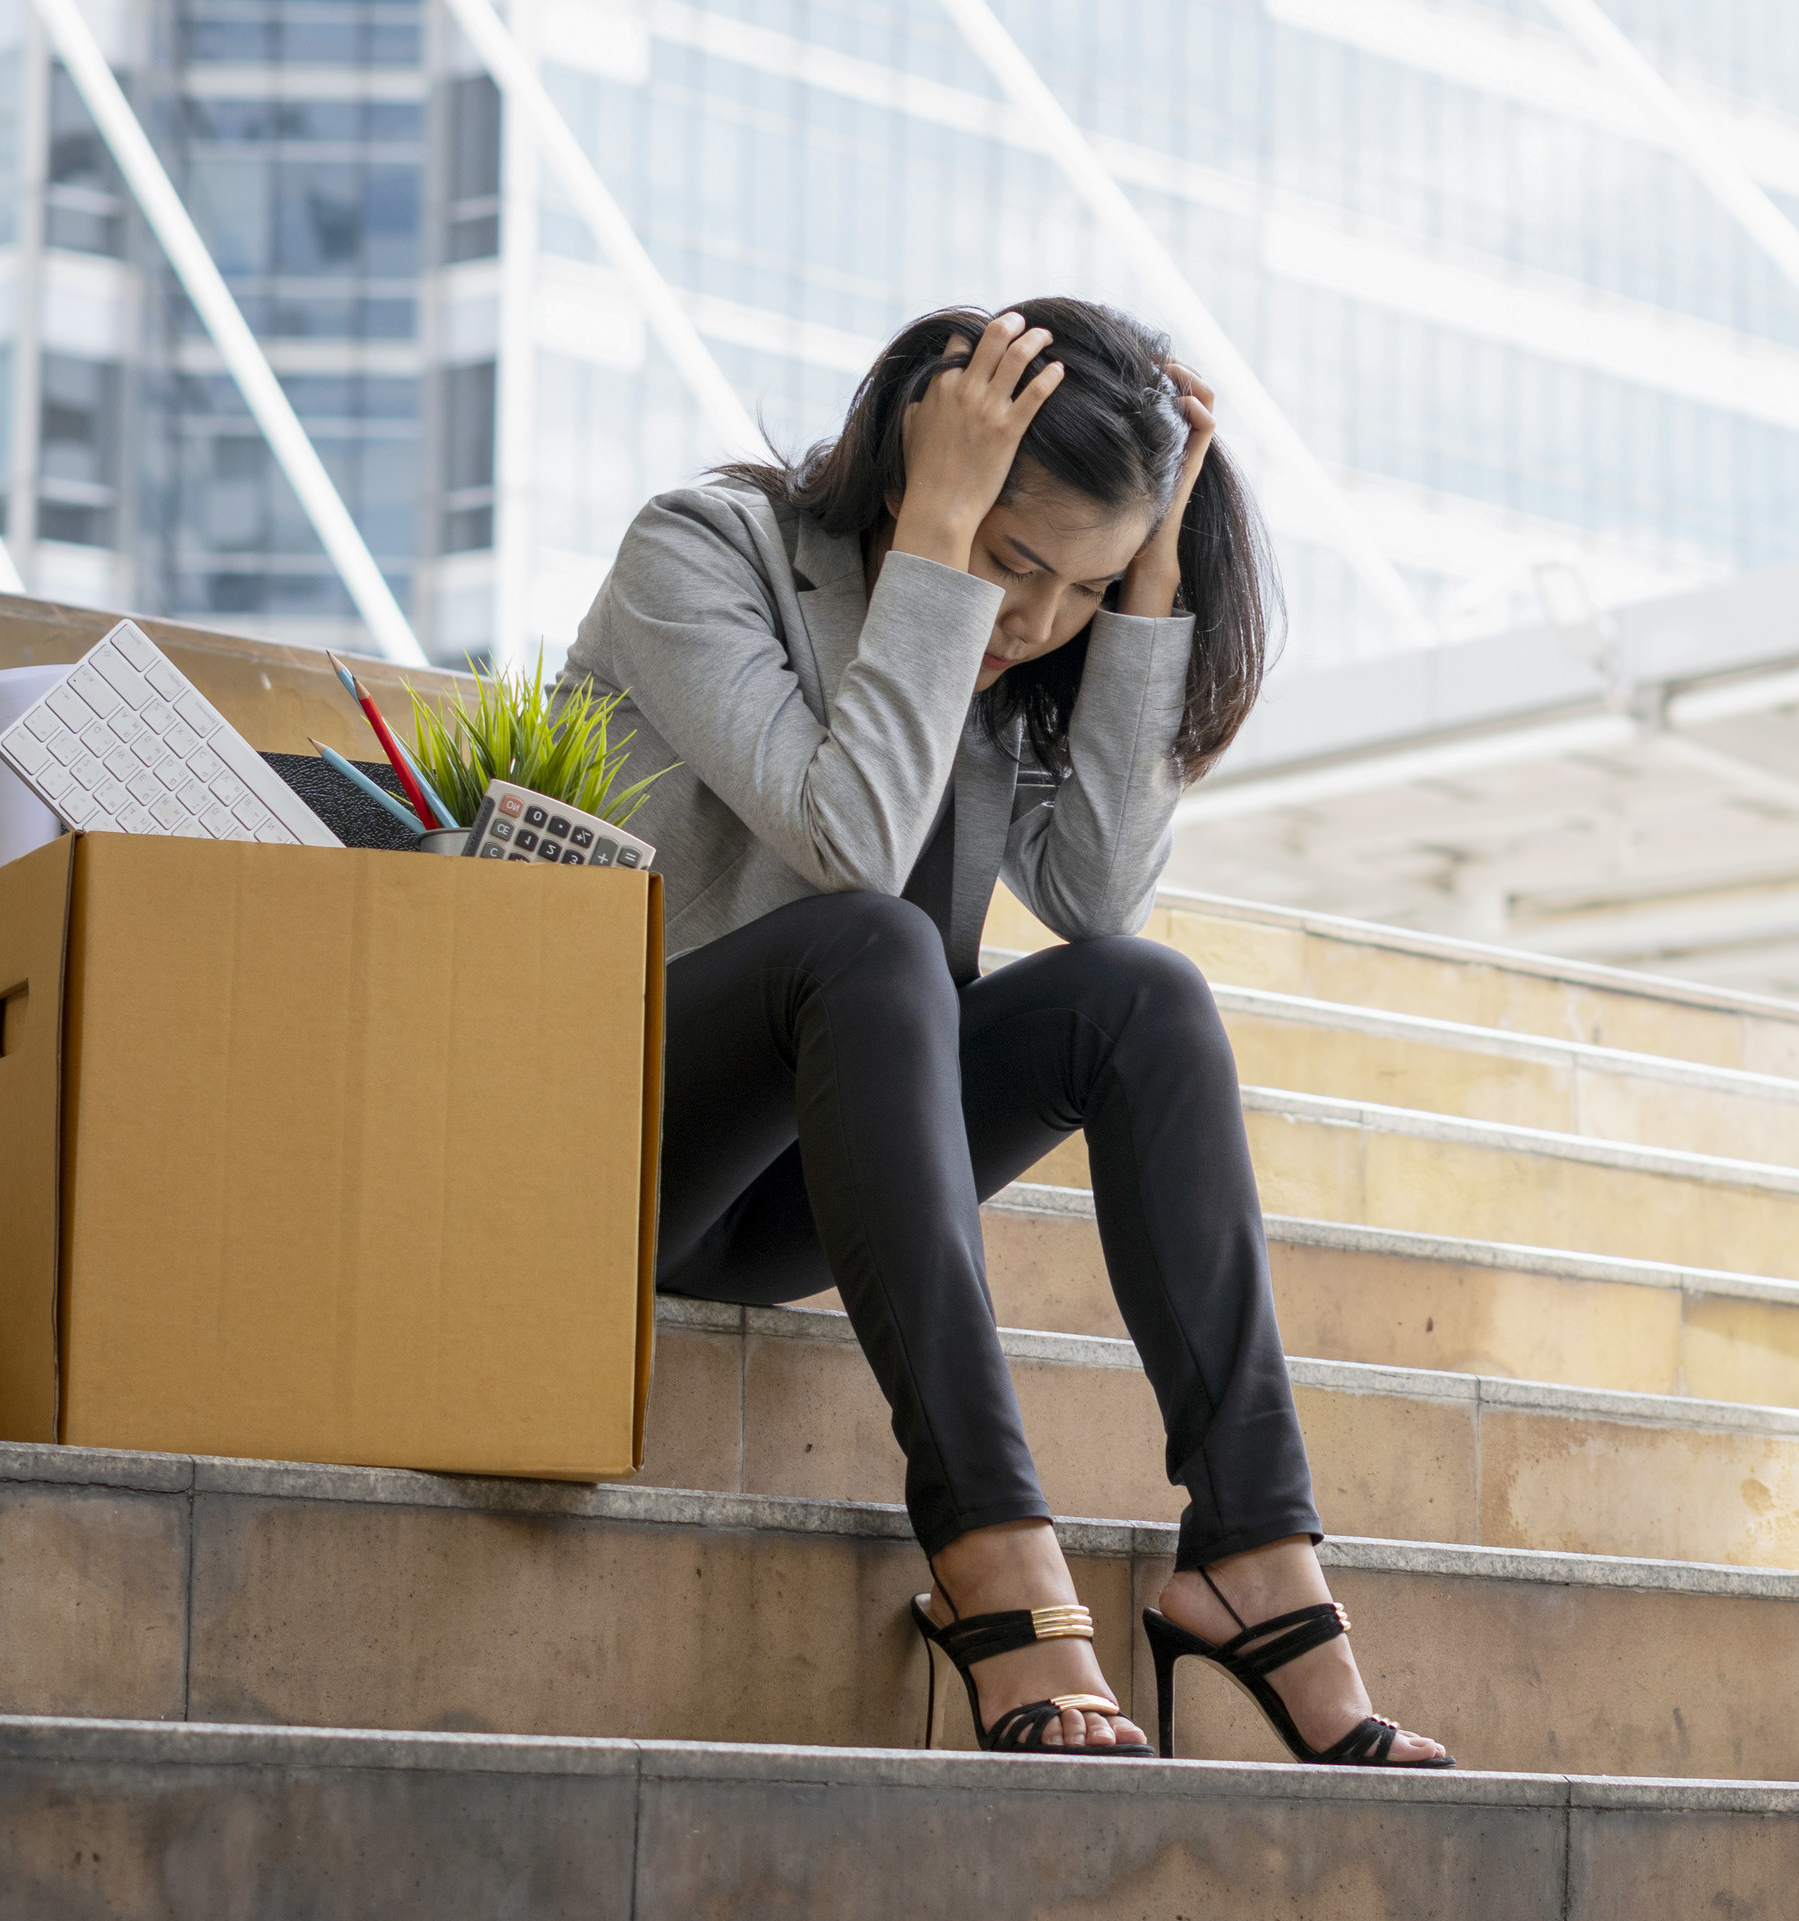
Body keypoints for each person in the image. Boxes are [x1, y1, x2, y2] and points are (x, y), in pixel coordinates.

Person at [564, 298, 1451, 1767]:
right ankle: (988, 1548)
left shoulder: (1006, 658)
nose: (1033, 621)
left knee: (1144, 993)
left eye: (1082, 587)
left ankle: (1254, 1552)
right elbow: (848, 839)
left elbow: (1099, 897)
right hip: (628, 1147)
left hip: (808, 1194)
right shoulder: (700, 555)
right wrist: (940, 550)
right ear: (924, 463)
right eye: (1011, 560)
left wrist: (1148, 599)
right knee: (877, 937)